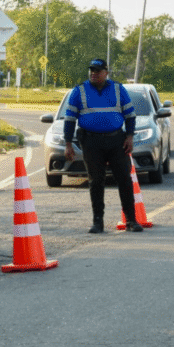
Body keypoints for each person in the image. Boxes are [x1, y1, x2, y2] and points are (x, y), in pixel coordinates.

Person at [63, 59, 143, 233]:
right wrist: (68, 144)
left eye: (98, 71)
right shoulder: (79, 91)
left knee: (124, 180)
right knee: (96, 182)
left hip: (117, 141)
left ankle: (131, 220)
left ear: (106, 72)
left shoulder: (118, 89)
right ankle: (97, 222)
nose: (94, 73)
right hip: (91, 142)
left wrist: (129, 136)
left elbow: (130, 115)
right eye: (91, 70)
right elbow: (69, 120)